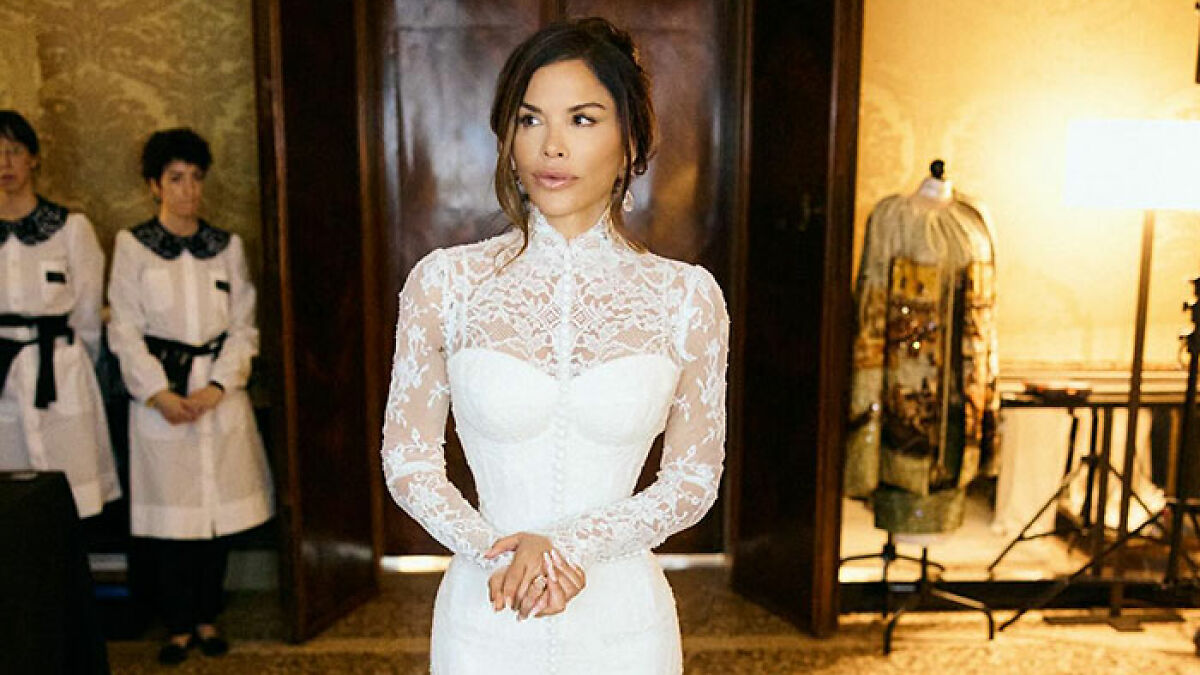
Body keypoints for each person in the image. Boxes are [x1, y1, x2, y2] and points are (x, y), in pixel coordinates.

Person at [380, 18, 729, 673]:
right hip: (489, 609)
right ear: (508, 138)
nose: (551, 145)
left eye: (583, 119)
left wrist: (569, 546)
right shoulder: (445, 283)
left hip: (623, 625)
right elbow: (408, 460)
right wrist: (497, 550)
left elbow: (691, 479)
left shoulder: (686, 297)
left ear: (631, 144)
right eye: (531, 119)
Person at [107, 128, 274, 665]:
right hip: (160, 400)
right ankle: (177, 624)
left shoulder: (226, 247)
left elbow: (244, 327)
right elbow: (124, 329)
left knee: (216, 517)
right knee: (173, 521)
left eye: (196, 179)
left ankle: (207, 616)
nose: (188, 191)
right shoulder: (133, 247)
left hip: (217, 396)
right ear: (154, 185)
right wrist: (158, 392)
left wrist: (218, 386)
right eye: (176, 179)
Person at [0, 109, 120, 518]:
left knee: (70, 495)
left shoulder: (70, 228)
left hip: (58, 366)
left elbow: (87, 313)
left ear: (33, 158)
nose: (5, 164)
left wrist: (75, 359)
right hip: (2, 370)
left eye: (14, 151)